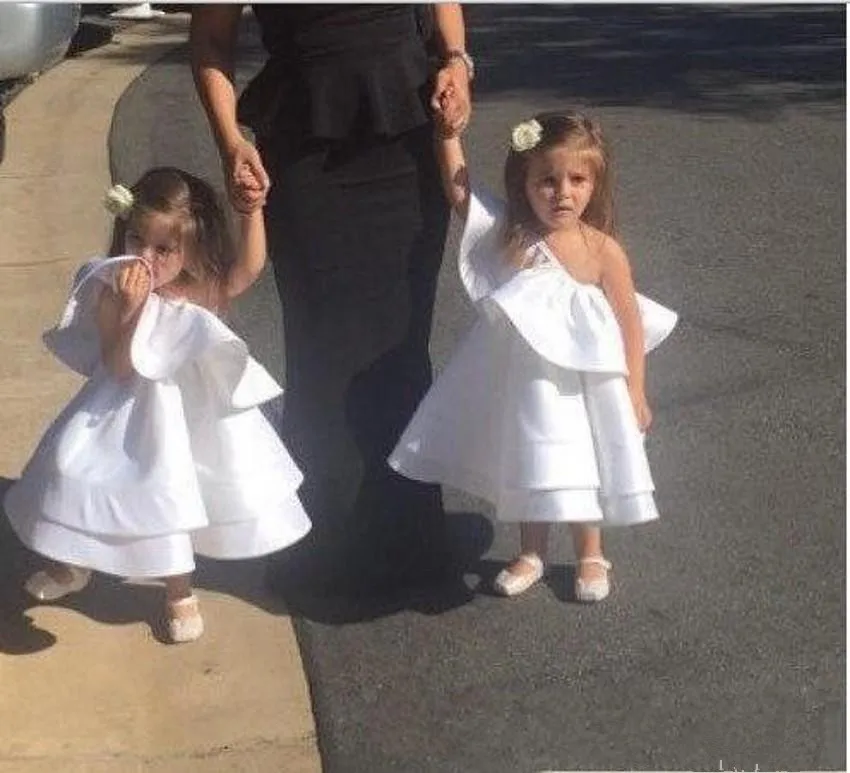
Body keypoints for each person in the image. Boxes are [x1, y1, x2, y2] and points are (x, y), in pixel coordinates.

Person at [190, 5, 473, 596]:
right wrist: (231, 141)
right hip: (305, 150)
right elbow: (212, 41)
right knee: (323, 347)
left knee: (402, 342)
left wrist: (456, 61)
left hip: (406, 136)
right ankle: (325, 550)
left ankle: (411, 545)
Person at [4, 167, 312, 642]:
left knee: (170, 501)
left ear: (190, 249)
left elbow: (248, 269)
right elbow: (118, 365)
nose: (144, 257)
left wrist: (251, 212)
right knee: (70, 475)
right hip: (120, 411)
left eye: (163, 249)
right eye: (135, 239)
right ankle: (72, 564)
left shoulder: (200, 289)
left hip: (184, 420)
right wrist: (129, 311)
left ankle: (176, 591)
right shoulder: (111, 289)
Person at [389, 110, 678, 602]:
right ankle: (532, 551)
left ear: (595, 182)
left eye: (577, 180)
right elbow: (462, 195)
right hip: (530, 385)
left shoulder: (602, 250)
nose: (562, 193)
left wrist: (635, 388)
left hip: (585, 385)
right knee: (534, 460)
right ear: (524, 182)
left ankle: (590, 552)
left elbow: (630, 320)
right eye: (547, 180)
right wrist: (447, 136)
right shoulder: (514, 235)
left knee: (581, 464)